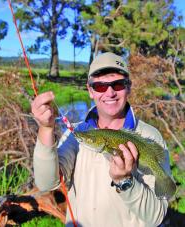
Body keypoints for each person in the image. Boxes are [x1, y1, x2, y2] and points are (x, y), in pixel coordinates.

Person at [31, 52, 171, 226]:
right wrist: (46, 129)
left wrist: (125, 181)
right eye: (100, 86)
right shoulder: (77, 133)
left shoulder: (150, 136)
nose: (110, 92)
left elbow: (155, 218)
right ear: (90, 91)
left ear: (128, 87)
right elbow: (46, 183)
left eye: (118, 84)